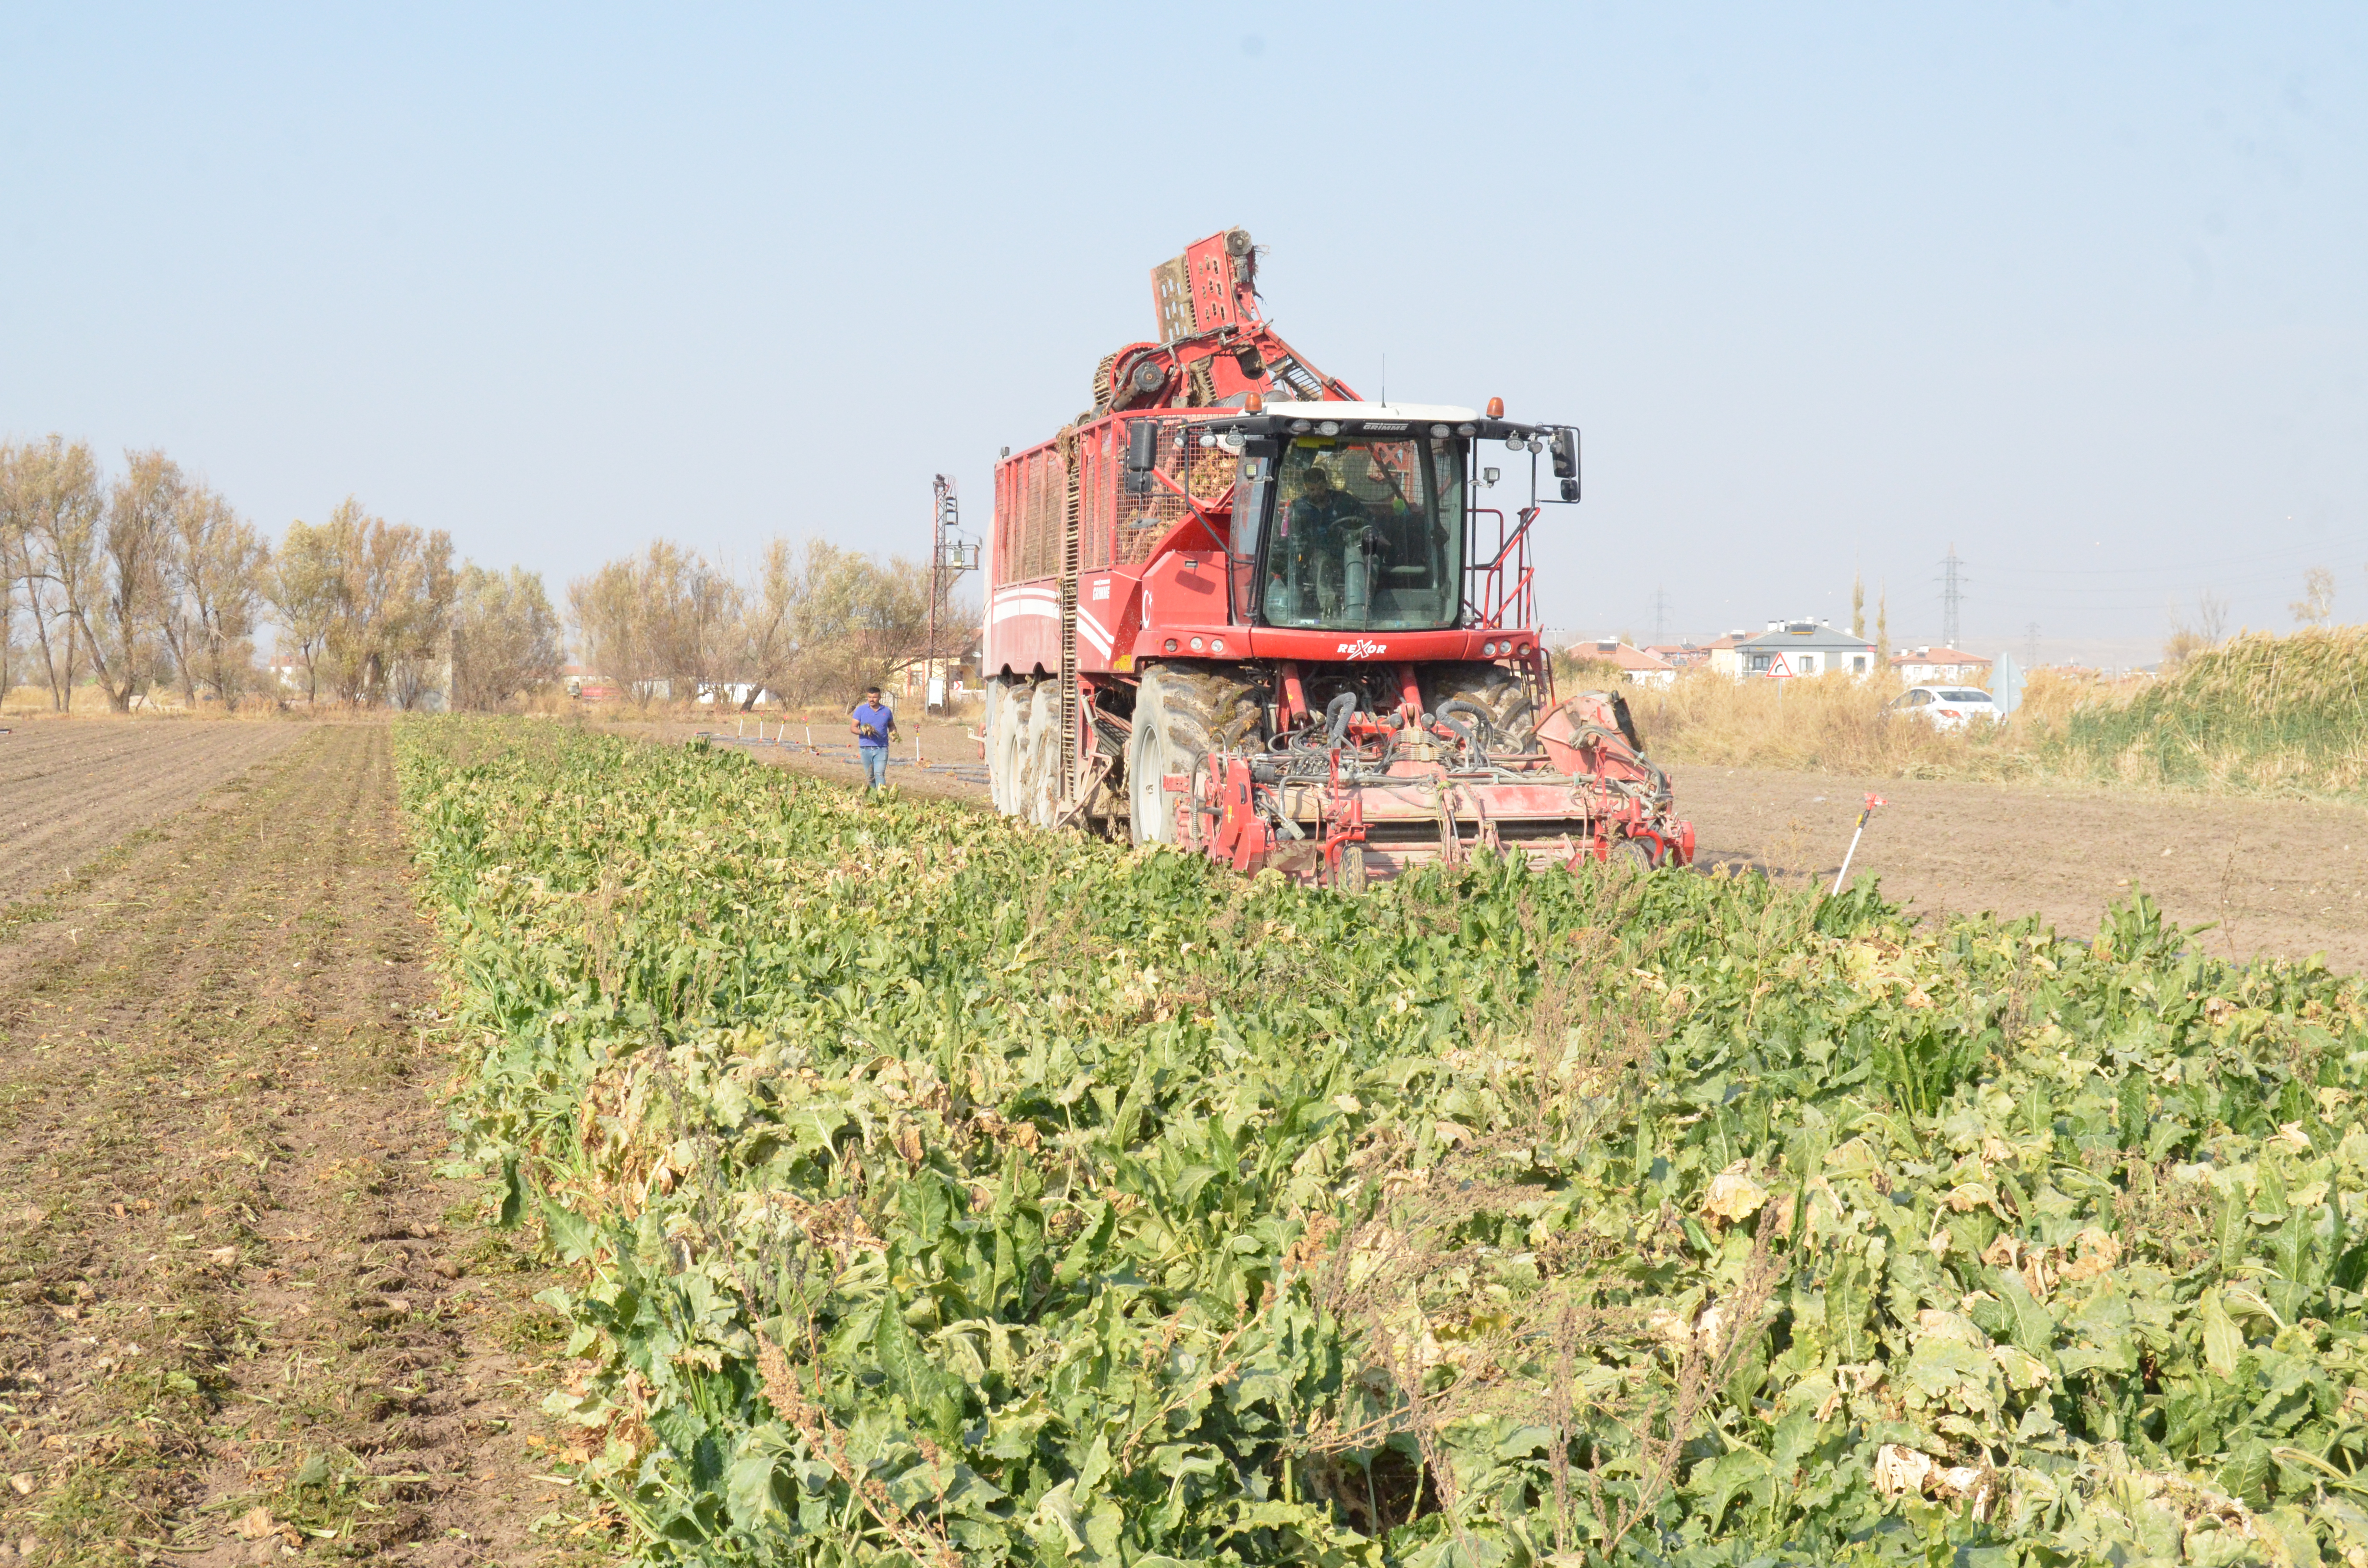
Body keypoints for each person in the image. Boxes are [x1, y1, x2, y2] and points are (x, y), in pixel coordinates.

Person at [851, 686, 897, 792]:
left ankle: (882, 799)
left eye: (875, 697)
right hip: (865, 748)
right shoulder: (861, 710)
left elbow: (892, 726)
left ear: (880, 697)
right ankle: (873, 798)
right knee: (870, 777)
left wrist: (894, 734)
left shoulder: (886, 711)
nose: (872, 700)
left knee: (879, 774)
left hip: (881, 748)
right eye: (870, 697)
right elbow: (853, 728)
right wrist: (863, 732)